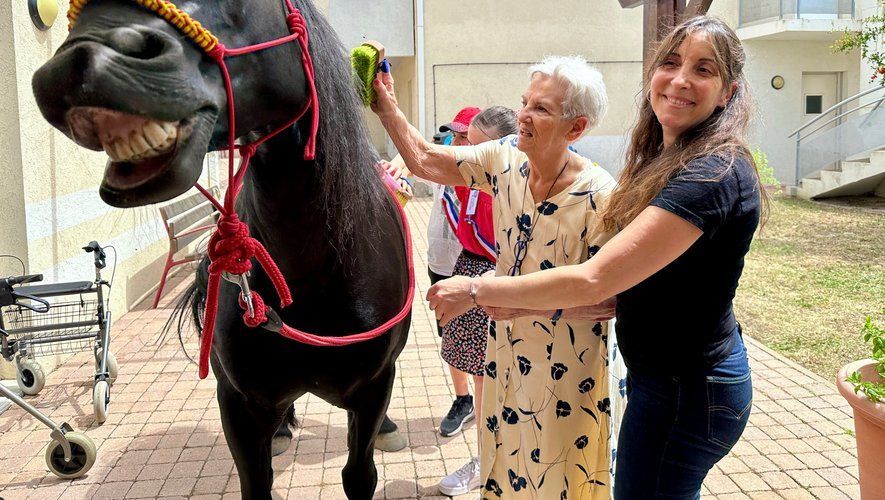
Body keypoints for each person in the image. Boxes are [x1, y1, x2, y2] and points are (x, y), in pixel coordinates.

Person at [427, 16, 766, 499]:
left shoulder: (710, 175)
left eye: (703, 70)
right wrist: (522, 305)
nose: (680, 79)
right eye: (670, 62)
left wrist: (478, 290)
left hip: (686, 391)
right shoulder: (669, 158)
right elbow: (621, 293)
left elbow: (594, 280)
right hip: (665, 381)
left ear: (728, 92)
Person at [372, 55, 622, 499]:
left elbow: (607, 300)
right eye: (525, 102)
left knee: (559, 476)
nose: (523, 115)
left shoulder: (601, 196)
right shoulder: (504, 160)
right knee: (505, 465)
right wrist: (387, 107)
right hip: (507, 353)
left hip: (570, 368)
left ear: (576, 128)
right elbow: (427, 159)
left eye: (542, 108)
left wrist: (482, 293)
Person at [436, 106, 517, 497]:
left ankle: (490, 462)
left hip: (496, 277)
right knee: (479, 371)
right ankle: (487, 457)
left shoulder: (510, 184)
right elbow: (424, 162)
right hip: (470, 270)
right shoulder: (470, 181)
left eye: (473, 141)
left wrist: (477, 287)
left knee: (494, 377)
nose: (464, 148)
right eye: (464, 140)